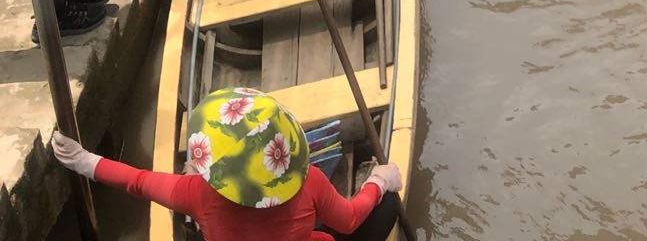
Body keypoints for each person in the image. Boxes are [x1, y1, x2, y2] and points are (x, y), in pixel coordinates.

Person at [52, 85, 403, 240]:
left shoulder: (197, 193)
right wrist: (378, 181)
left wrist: (84, 160)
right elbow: (349, 220)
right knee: (386, 205)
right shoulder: (310, 181)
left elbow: (137, 181)